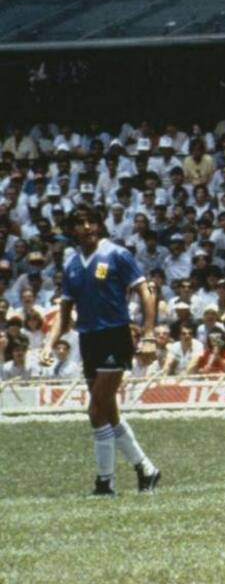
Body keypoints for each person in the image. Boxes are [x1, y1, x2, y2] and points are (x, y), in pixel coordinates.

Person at [40, 204, 161, 496]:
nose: (86, 227)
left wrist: (148, 334)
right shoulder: (71, 265)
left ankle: (105, 482)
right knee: (109, 410)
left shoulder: (117, 254)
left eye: (91, 222)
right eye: (80, 223)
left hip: (115, 336)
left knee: (95, 409)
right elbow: (65, 314)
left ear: (99, 225)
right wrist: (48, 343)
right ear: (72, 230)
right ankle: (146, 469)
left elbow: (147, 291)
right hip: (88, 340)